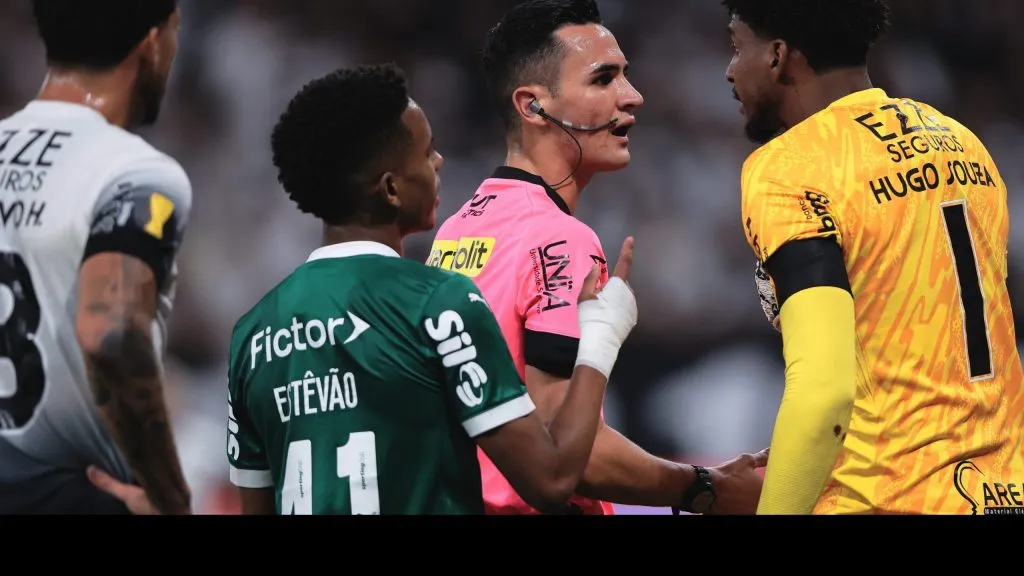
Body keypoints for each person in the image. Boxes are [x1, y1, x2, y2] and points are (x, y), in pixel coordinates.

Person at [219, 63, 639, 515]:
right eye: (426, 152)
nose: (438, 163)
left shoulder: (251, 335)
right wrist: (600, 336)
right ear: (392, 189)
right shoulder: (441, 304)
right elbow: (552, 479)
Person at [428, 0, 768, 516]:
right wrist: (708, 487)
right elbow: (562, 451)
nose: (632, 97)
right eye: (603, 78)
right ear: (533, 106)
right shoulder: (559, 237)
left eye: (625, 76)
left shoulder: (457, 230)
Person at [724, 0, 1024, 514]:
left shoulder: (789, 165)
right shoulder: (964, 145)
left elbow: (823, 392)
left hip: (884, 496)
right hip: (1002, 491)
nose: (730, 69)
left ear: (777, 56)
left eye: (736, 47)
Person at [0, 0, 192, 514]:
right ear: (153, 44)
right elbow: (111, 329)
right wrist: (170, 497)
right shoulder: (134, 173)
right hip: (80, 496)